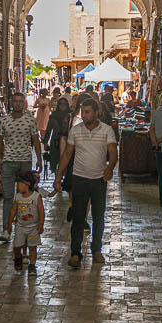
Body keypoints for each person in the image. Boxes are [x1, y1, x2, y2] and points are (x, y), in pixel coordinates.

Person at [52, 97, 117, 268]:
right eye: (83, 111)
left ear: (97, 113)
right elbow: (67, 154)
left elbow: (113, 151)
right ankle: (75, 253)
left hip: (98, 180)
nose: (84, 115)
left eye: (88, 112)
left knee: (98, 217)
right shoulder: (75, 130)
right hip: (79, 179)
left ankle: (96, 249)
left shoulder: (107, 130)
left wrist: (110, 168)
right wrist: (59, 176)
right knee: (78, 217)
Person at [0, 91, 42, 242]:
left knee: (24, 197)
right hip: (8, 161)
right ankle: (6, 230)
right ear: (11, 103)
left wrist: (39, 159)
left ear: (24, 103)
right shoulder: (4, 120)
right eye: (15, 101)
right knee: (8, 197)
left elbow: (35, 140)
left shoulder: (30, 120)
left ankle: (26, 228)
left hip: (24, 162)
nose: (18, 104)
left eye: (21, 101)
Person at [7, 169, 44, 276]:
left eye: (18, 184)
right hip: (20, 226)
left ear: (26, 185)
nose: (17, 186)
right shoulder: (18, 196)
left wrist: (41, 225)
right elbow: (13, 210)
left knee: (32, 247)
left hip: (33, 228)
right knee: (17, 246)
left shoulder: (36, 197)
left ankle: (32, 266)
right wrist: (9, 224)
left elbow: (41, 211)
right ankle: (18, 258)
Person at [44, 96, 72, 179]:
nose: (62, 106)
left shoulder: (70, 116)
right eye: (61, 104)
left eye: (64, 104)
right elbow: (48, 130)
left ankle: (65, 178)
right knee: (56, 160)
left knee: (66, 160)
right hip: (55, 142)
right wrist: (45, 142)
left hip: (68, 141)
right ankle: (58, 179)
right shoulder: (53, 116)